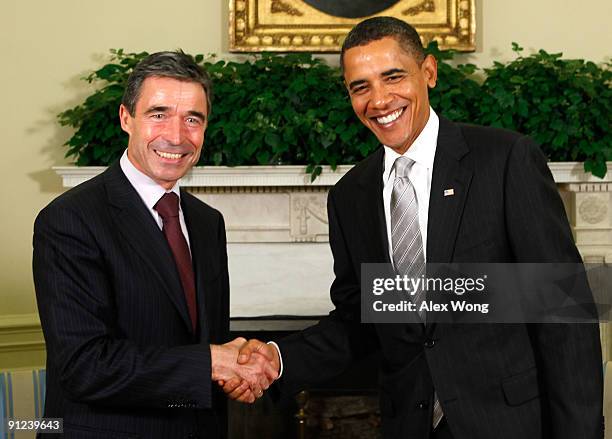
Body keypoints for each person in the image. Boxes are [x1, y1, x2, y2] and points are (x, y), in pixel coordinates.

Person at [227, 17, 603, 439]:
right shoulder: (351, 196)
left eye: (393, 77)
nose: (379, 100)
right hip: (409, 423)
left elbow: (563, 311)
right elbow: (361, 318)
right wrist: (278, 358)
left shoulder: (504, 160)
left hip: (511, 424)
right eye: (360, 86)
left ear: (429, 71)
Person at [33, 51, 276, 439]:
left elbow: (203, 344)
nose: (176, 136)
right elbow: (84, 367)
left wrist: (237, 371)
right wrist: (213, 363)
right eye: (158, 114)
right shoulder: (70, 219)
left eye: (192, 119)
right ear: (126, 118)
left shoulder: (207, 222)